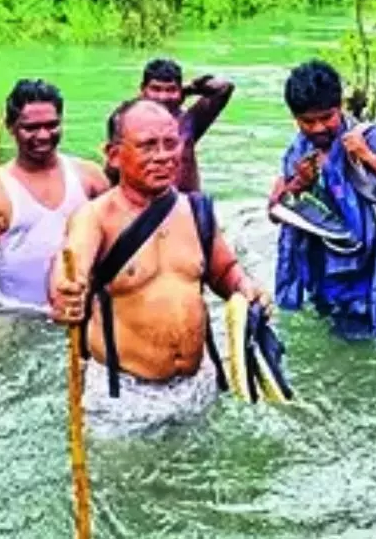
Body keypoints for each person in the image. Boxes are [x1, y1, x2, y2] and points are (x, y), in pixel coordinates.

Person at [49, 99, 270, 436]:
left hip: (199, 384)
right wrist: (66, 291)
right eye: (148, 146)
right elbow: (69, 267)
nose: (164, 156)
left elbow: (225, 272)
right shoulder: (95, 218)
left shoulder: (197, 212)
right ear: (113, 154)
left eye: (171, 143)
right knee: (127, 487)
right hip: (124, 395)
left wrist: (246, 289)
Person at [269, 60, 376, 347]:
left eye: (327, 117)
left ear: (340, 107)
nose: (318, 127)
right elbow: (275, 212)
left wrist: (369, 159)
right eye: (307, 121)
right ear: (294, 117)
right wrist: (299, 184)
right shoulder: (298, 151)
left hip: (373, 268)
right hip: (324, 272)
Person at [0, 80, 110, 316]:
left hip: (77, 309)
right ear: (10, 127)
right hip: (14, 313)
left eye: (52, 125)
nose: (44, 135)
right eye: (31, 128)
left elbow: (116, 242)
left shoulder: (90, 178)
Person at [135, 58, 235, 192]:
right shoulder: (128, 123)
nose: (163, 97)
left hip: (187, 205)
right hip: (144, 206)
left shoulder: (189, 120)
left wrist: (190, 89)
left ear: (179, 92)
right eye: (156, 89)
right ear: (143, 90)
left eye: (171, 90)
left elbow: (223, 88)